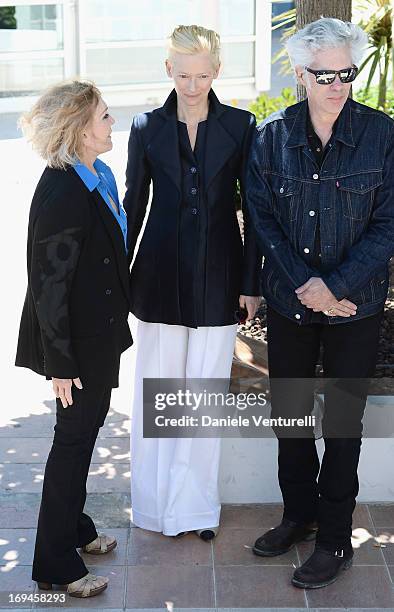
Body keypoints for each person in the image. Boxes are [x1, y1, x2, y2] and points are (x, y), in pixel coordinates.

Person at [246, 17, 394, 588]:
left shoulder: (383, 136)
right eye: (324, 74)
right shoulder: (269, 136)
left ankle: (335, 539)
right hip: (290, 304)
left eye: (346, 73)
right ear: (301, 74)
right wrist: (307, 284)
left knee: (341, 424)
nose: (337, 84)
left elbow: (387, 226)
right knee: (289, 417)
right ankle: (298, 516)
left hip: (356, 309)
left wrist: (336, 287)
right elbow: (261, 219)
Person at [124, 25, 261, 539]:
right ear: (168, 70)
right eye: (183, 74)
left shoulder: (242, 126)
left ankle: (197, 510)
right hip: (158, 278)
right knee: (161, 399)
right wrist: (119, 283)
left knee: (202, 400)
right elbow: (132, 206)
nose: (193, 84)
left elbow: (257, 212)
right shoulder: (145, 128)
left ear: (217, 71)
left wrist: (251, 284)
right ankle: (157, 507)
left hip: (221, 279)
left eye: (202, 75)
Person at [15, 80, 133, 598]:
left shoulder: (93, 174)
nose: (112, 123)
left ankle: (76, 531)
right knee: (72, 443)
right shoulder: (65, 190)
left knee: (83, 438)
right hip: (77, 347)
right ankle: (55, 564)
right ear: (81, 128)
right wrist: (60, 364)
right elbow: (48, 284)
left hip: (96, 334)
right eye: (105, 116)